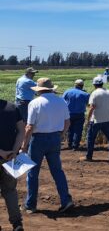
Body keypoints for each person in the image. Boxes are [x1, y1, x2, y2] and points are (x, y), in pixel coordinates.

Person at [20, 78, 74, 214]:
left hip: (38, 140)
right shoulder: (61, 101)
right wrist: (61, 135)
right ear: (50, 89)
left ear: (39, 90)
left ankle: (30, 204)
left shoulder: (35, 103)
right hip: (55, 138)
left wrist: (24, 146)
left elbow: (29, 127)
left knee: (33, 173)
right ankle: (66, 200)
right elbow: (67, 122)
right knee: (57, 171)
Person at [0, 99, 25, 231]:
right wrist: (14, 152)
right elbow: (21, 130)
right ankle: (17, 224)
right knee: (10, 191)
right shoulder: (12, 107)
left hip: (5, 155)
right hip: (11, 158)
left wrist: (2, 152)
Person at [83, 76, 109, 162]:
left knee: (91, 138)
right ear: (102, 83)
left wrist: (88, 119)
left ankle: (89, 156)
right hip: (108, 119)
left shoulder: (94, 93)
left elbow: (92, 107)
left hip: (96, 120)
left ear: (94, 84)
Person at [62, 79, 90, 151]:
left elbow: (62, 101)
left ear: (75, 85)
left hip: (68, 114)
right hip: (79, 114)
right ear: (82, 86)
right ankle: (75, 145)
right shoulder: (85, 94)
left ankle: (70, 144)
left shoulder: (67, 91)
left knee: (69, 129)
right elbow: (89, 104)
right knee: (78, 130)